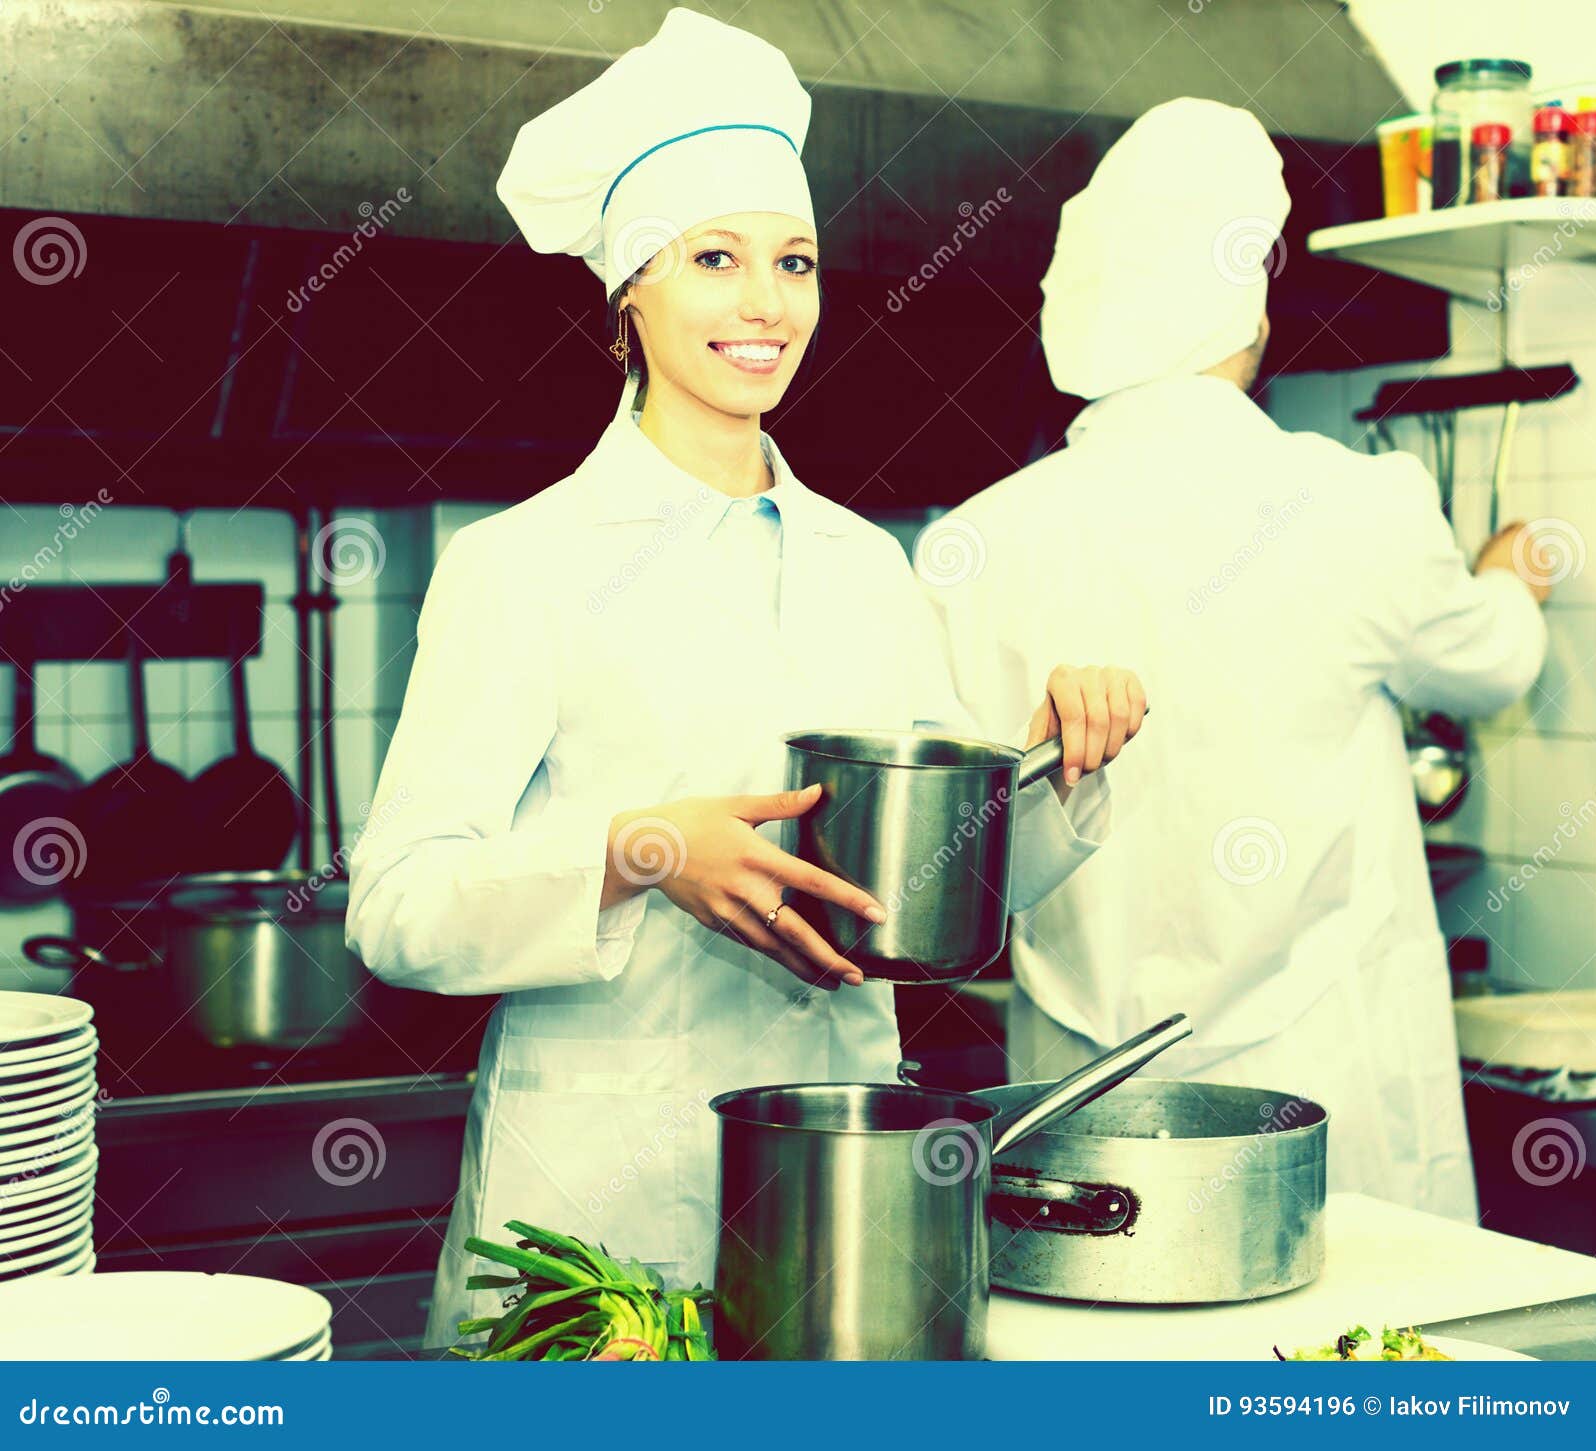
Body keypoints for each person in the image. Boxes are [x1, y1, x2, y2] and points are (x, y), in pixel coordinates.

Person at [345, 9, 1144, 1349]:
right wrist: (644, 851)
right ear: (628, 293)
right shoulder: (520, 565)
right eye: (714, 257)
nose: (766, 303)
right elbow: (399, 907)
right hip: (591, 1223)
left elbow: (940, 890)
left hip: (846, 1200)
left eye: (795, 260)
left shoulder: (864, 566)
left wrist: (1060, 763)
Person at [922, 97, 1553, 1220]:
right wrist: (1509, 574)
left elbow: (962, 842)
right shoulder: (1360, 503)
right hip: (1325, 1091)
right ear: (1249, 299)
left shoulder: (980, 537)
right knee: (1345, 1369)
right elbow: (1489, 665)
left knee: (1097, 1366)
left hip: (1084, 1099)